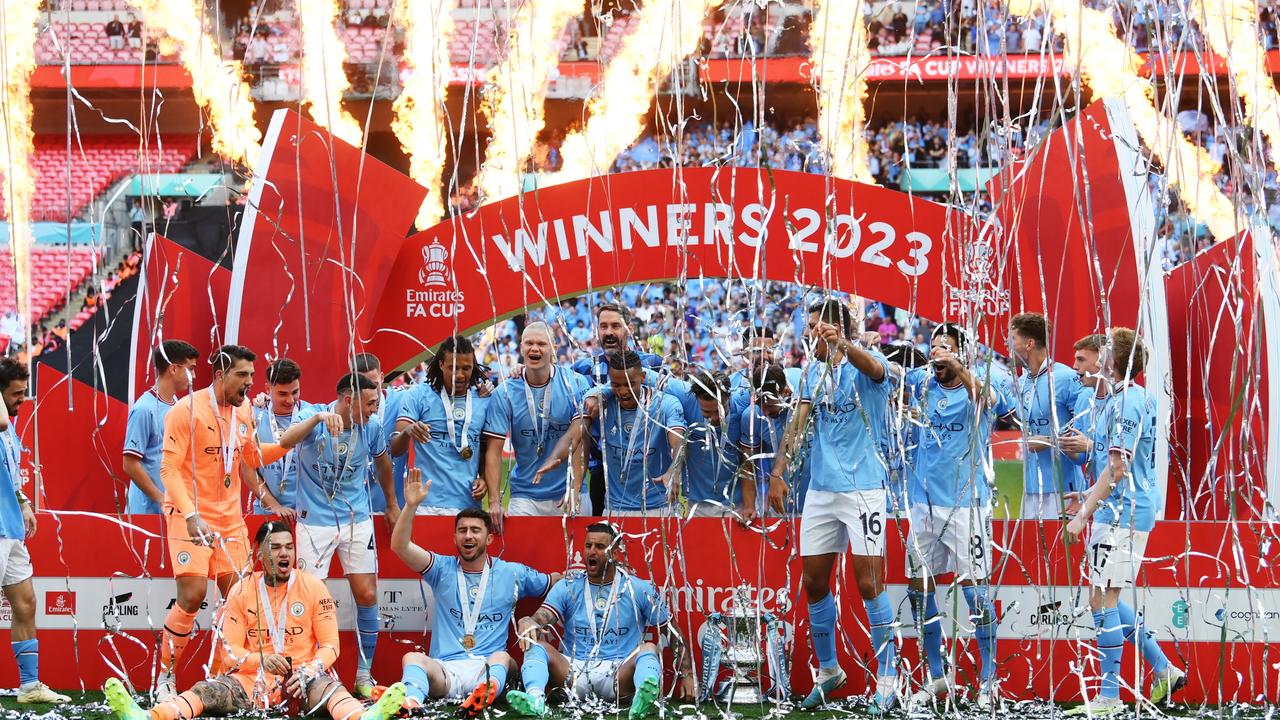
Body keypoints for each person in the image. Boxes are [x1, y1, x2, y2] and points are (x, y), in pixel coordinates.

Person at [103, 522, 407, 720]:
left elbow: (331, 646)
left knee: (330, 690)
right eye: (275, 548)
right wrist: (261, 660)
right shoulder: (241, 590)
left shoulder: (313, 586)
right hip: (251, 681)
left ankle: (365, 718)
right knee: (207, 691)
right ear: (259, 553)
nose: (284, 553)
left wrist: (308, 671)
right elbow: (229, 651)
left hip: (302, 679)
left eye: (289, 547)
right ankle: (148, 717)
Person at [765, 299, 898, 712]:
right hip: (821, 491)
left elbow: (876, 370)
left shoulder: (870, 364)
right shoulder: (811, 373)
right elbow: (798, 422)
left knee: (869, 584)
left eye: (818, 329)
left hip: (864, 490)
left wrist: (845, 343)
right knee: (814, 583)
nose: (811, 337)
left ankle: (889, 680)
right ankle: (828, 671)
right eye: (809, 330)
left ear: (838, 330)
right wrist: (779, 471)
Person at [155, 345, 290, 701]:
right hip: (188, 517)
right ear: (220, 375)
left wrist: (295, 437)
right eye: (242, 375)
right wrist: (190, 513)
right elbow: (168, 469)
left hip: (229, 520)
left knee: (239, 599)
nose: (249, 382)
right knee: (193, 595)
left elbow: (252, 458)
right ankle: (165, 678)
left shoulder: (245, 410)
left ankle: (221, 676)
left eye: (251, 375)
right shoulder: (185, 410)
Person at [1061, 330, 1185, 713]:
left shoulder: (1127, 401)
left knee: (1102, 598)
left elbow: (1118, 468)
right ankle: (1162, 668)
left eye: (1090, 356)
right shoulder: (1122, 399)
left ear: (1110, 359)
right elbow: (1109, 465)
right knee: (1105, 597)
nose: (1083, 363)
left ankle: (1110, 697)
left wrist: (1084, 513)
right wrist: (1086, 499)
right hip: (1120, 508)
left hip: (1124, 511)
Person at [901, 324, 1010, 709]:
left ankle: (988, 679)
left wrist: (960, 368)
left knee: (976, 592)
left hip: (967, 505)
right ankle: (937, 676)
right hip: (923, 505)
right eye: (933, 348)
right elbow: (891, 375)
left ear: (963, 353)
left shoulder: (977, 386)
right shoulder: (921, 384)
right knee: (920, 590)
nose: (937, 354)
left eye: (945, 348)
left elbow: (992, 400)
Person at [389, 469, 557, 715]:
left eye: (475, 530)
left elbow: (553, 582)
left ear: (489, 539)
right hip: (445, 670)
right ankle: (412, 704)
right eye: (462, 530)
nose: (468, 535)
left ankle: (483, 695)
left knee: (501, 657)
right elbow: (399, 546)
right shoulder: (441, 569)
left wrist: (573, 576)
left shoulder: (512, 573)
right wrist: (411, 506)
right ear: (455, 537)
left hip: (488, 667)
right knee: (411, 659)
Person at [278, 373, 399, 697]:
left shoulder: (370, 426)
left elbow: (384, 462)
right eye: (371, 403)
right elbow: (285, 441)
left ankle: (363, 675)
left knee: (368, 594)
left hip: (355, 519)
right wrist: (318, 417)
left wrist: (390, 503)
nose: (375, 409)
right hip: (314, 521)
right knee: (307, 597)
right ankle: (306, 674)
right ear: (349, 399)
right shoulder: (312, 416)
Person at [505, 522, 697, 719]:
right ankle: (535, 701)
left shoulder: (639, 589)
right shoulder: (568, 586)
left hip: (619, 675)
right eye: (588, 546)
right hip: (573, 673)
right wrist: (530, 620)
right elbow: (542, 617)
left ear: (615, 553)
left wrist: (688, 674)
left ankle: (641, 700)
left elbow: (671, 630)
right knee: (536, 645)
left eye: (599, 547)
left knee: (648, 648)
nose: (591, 552)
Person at [538, 350, 686, 516]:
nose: (623, 391)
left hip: (659, 508)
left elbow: (679, 442)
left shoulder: (666, 404)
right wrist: (553, 457)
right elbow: (574, 435)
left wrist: (674, 470)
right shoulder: (599, 401)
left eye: (629, 384)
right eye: (616, 385)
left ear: (643, 377)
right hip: (615, 509)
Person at [0, 359, 70, 703]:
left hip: (10, 529)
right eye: (15, 394)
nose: (22, 400)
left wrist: (24, 501)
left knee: (25, 603)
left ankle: (29, 686)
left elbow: (11, 473)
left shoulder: (10, 429)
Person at [483, 323, 590, 528]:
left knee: (576, 559)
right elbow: (494, 452)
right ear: (521, 347)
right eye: (529, 343)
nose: (535, 348)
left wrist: (575, 488)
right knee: (521, 558)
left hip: (569, 492)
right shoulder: (505, 392)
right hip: (526, 495)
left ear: (554, 348)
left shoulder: (575, 383)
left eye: (542, 343)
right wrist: (494, 502)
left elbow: (581, 442)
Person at [570, 304, 664, 511]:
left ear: (629, 329)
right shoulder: (582, 369)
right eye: (603, 327)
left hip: (647, 469)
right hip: (600, 470)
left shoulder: (652, 364)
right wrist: (520, 370)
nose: (609, 332)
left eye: (615, 326)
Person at [392, 336, 499, 515]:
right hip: (426, 505)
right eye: (453, 368)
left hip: (468, 506)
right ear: (441, 364)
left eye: (466, 368)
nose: (460, 375)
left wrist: (484, 479)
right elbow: (395, 448)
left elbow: (486, 451)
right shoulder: (419, 394)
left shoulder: (484, 399)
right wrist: (408, 432)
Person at [1006, 312, 1085, 520]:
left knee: (1062, 552)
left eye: (1012, 339)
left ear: (1029, 344)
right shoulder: (1023, 381)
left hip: (1063, 489)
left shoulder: (1065, 378)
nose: (1008, 345)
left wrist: (1050, 442)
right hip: (1030, 487)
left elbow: (1086, 432)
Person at [123, 340, 200, 514]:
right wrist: (161, 499)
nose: (194, 376)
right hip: (147, 513)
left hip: (173, 510)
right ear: (173, 369)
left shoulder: (176, 405)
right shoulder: (143, 409)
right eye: (191, 368)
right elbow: (129, 463)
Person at [738, 364, 809, 522]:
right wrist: (749, 506)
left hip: (816, 498)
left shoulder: (806, 387)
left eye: (769, 405)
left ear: (786, 393)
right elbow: (748, 466)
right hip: (779, 503)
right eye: (759, 405)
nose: (765, 412)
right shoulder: (750, 417)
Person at [681, 371, 747, 517]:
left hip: (736, 505)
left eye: (720, 410)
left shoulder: (743, 405)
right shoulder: (686, 399)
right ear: (696, 399)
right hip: (697, 506)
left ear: (729, 396)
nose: (715, 418)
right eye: (706, 412)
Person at [248, 359, 306, 518]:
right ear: (268, 388)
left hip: (306, 515)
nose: (290, 400)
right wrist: (275, 506)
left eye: (295, 392)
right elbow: (249, 471)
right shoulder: (253, 416)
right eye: (282, 394)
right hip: (266, 511)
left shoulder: (310, 415)